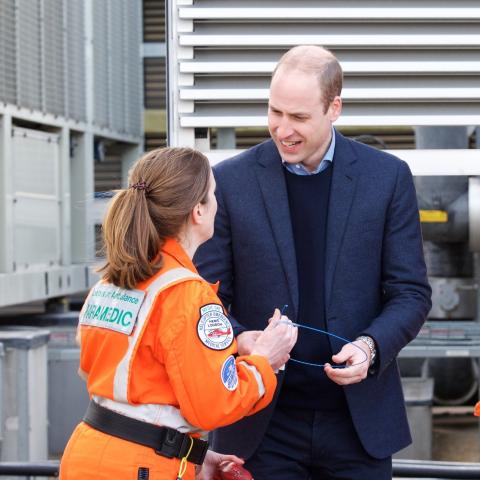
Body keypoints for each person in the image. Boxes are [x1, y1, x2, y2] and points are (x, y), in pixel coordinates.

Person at [194, 45, 432, 479]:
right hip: (259, 425)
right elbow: (206, 302)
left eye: (299, 118)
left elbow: (410, 294)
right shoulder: (228, 182)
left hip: (359, 427)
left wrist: (370, 348)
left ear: (334, 108)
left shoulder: (387, 178)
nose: (282, 129)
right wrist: (246, 341)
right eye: (275, 112)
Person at [59, 147, 298, 480]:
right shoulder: (187, 294)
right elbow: (214, 404)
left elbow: (112, 382)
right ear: (198, 211)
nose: (218, 204)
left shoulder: (114, 280)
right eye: (214, 196)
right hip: (142, 466)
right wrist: (264, 360)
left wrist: (191, 452)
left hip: (90, 452)